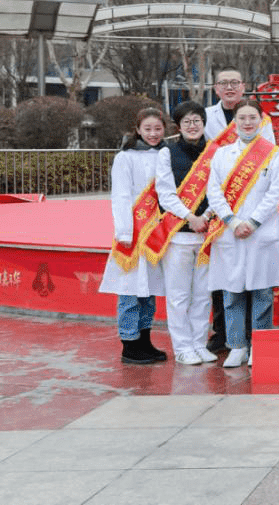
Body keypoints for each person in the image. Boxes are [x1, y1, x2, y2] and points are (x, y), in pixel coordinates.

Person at [206, 100, 279, 368]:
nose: (247, 123)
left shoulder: (273, 154)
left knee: (262, 292)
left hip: (260, 231)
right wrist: (231, 221)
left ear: (261, 120)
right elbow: (214, 191)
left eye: (253, 117)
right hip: (230, 233)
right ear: (235, 123)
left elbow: (276, 191)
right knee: (232, 292)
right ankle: (237, 346)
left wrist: (252, 222)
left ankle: (260, 346)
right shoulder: (221, 154)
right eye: (242, 118)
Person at [203, 66, 272, 353]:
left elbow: (268, 162)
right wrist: (219, 212)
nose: (229, 87)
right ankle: (224, 333)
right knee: (224, 275)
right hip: (216, 205)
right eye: (224, 83)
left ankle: (254, 338)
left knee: (256, 279)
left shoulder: (262, 119)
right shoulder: (205, 117)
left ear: (243, 86)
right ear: (216, 88)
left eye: (234, 82)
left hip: (253, 208)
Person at [98, 107, 168, 365]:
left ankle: (145, 339)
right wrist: (124, 231)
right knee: (129, 290)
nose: (153, 133)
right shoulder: (125, 158)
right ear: (138, 129)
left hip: (156, 233)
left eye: (157, 129)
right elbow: (121, 196)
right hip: (134, 231)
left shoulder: (165, 154)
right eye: (147, 129)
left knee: (149, 290)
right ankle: (129, 343)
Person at [152, 101, 217, 365]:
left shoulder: (216, 152)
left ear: (204, 123)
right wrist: (191, 217)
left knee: (203, 294)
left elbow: (221, 191)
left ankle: (199, 343)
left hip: (207, 233)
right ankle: (182, 346)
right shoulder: (166, 152)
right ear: (178, 126)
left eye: (197, 121)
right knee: (179, 294)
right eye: (187, 122)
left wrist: (207, 216)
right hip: (177, 234)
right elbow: (165, 193)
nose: (193, 126)